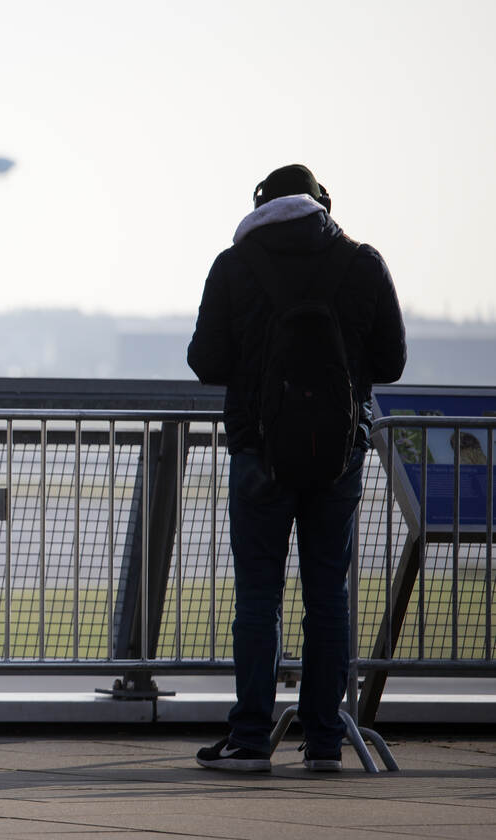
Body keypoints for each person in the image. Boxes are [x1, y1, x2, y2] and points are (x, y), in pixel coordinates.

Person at [187, 165, 406, 772]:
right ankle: (325, 742)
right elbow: (390, 363)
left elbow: (205, 361)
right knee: (328, 597)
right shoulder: (362, 262)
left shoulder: (235, 265)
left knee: (259, 597)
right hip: (339, 457)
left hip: (259, 452)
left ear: (261, 205)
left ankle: (252, 737)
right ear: (322, 204)